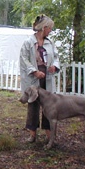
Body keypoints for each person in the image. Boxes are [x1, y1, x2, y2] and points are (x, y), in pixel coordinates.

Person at [19, 14, 60, 143]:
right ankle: (32, 135)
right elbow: (24, 59)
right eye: (50, 28)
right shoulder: (29, 42)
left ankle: (49, 134)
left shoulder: (50, 42)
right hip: (34, 78)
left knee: (49, 106)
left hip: (47, 77)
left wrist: (54, 66)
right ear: (44, 28)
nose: (51, 31)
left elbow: (56, 57)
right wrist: (34, 71)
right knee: (33, 104)